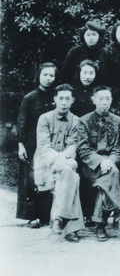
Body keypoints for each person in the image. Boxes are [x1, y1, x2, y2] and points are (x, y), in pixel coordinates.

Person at [77, 85, 120, 242]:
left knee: (107, 179)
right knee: (112, 174)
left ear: (111, 100)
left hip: (111, 165)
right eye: (100, 99)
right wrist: (101, 161)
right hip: (91, 166)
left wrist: (110, 161)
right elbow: (83, 150)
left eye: (107, 99)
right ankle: (119, 216)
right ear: (93, 100)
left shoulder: (118, 121)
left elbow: (118, 149)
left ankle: (100, 226)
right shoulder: (84, 121)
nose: (104, 102)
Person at [33, 84, 84, 242]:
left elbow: (73, 145)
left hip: (66, 162)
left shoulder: (76, 121)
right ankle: (70, 227)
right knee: (71, 174)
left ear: (73, 100)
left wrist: (64, 158)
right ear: (55, 99)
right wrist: (60, 160)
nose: (63, 102)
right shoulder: (44, 118)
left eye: (67, 98)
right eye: (60, 98)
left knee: (68, 173)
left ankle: (57, 219)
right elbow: (43, 147)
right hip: (45, 165)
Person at [16, 62, 57, 228]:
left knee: (48, 177)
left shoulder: (56, 97)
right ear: (39, 76)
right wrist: (21, 144)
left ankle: (46, 215)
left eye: (51, 75)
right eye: (45, 75)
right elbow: (22, 122)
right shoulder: (30, 98)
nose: (48, 78)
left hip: (50, 143)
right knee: (31, 179)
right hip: (32, 144)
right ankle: (31, 216)